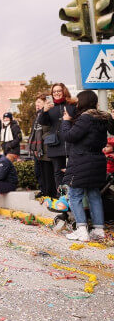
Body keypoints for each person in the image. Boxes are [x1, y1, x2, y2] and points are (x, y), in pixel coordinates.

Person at [62, 90, 108, 242]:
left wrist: (66, 121)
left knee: (75, 195)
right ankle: (98, 230)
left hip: (82, 160)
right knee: (94, 195)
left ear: (83, 102)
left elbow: (69, 136)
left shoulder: (85, 118)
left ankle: (82, 231)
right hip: (97, 160)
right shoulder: (101, 118)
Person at [38, 83, 77, 187]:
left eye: (59, 91)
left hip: (71, 142)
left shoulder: (71, 104)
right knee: (58, 172)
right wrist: (44, 111)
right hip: (56, 143)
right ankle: (62, 197)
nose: (56, 93)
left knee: (72, 171)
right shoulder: (49, 107)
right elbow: (42, 122)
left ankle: (73, 195)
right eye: (54, 92)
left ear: (64, 91)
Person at [28, 94, 57, 198]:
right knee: (39, 172)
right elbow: (34, 133)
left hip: (46, 148)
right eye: (36, 104)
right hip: (38, 149)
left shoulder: (48, 114)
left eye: (39, 103)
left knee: (48, 173)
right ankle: (43, 191)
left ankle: (50, 193)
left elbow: (50, 130)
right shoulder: (38, 116)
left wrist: (45, 138)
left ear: (46, 103)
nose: (37, 105)